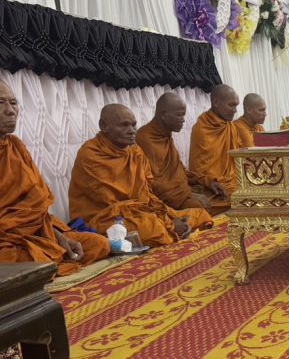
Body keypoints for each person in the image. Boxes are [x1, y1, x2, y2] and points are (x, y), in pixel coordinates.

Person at [0, 78, 109, 277]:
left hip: (33, 235)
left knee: (99, 244)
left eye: (13, 103)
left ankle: (49, 257)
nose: (10, 110)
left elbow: (35, 209)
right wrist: (11, 233)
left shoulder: (16, 146)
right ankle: (47, 260)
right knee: (22, 262)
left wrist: (60, 237)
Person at [69, 104, 213, 246]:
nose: (132, 131)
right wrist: (167, 222)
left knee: (200, 214)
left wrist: (165, 214)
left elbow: (147, 193)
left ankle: (169, 229)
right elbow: (114, 204)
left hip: (140, 212)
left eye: (133, 125)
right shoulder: (91, 155)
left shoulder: (135, 151)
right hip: (105, 218)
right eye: (124, 125)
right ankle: (169, 230)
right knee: (154, 229)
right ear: (104, 126)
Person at [136, 93, 228, 213]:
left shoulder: (165, 135)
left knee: (224, 196)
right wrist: (188, 195)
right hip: (166, 197)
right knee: (199, 208)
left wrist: (208, 182)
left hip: (179, 191)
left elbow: (180, 172)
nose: (183, 120)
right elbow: (153, 183)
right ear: (163, 115)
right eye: (179, 115)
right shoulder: (145, 138)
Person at [189, 84, 252, 213]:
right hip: (212, 185)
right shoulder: (202, 129)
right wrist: (212, 182)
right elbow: (198, 170)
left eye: (236, 105)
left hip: (233, 180)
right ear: (216, 102)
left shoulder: (230, 126)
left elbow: (239, 155)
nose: (235, 110)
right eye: (231, 105)